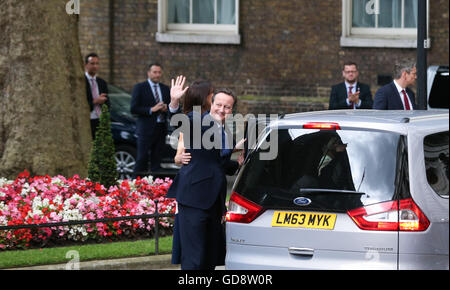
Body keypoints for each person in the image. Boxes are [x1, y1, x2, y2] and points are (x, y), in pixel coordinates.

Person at [167, 85, 243, 270]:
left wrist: (238, 162)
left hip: (214, 202)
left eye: (227, 107)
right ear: (211, 103)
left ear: (232, 110)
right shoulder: (197, 120)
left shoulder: (224, 132)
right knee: (194, 258)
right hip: (194, 198)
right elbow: (180, 122)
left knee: (209, 258)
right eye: (218, 104)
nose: (222, 110)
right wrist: (174, 102)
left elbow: (217, 163)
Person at [130, 63, 179, 177]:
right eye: (155, 72)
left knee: (157, 160)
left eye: (159, 72)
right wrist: (152, 109)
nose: (157, 75)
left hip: (161, 128)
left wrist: (167, 108)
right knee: (142, 158)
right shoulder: (140, 87)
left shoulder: (165, 88)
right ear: (149, 73)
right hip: (145, 129)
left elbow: (170, 106)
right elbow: (134, 108)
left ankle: (155, 187)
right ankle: (134, 183)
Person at [85, 53, 110, 139]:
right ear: (86, 65)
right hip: (87, 120)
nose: (95, 66)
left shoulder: (101, 82)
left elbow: (108, 102)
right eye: (92, 63)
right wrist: (95, 101)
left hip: (100, 119)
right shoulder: (82, 82)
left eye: (97, 63)